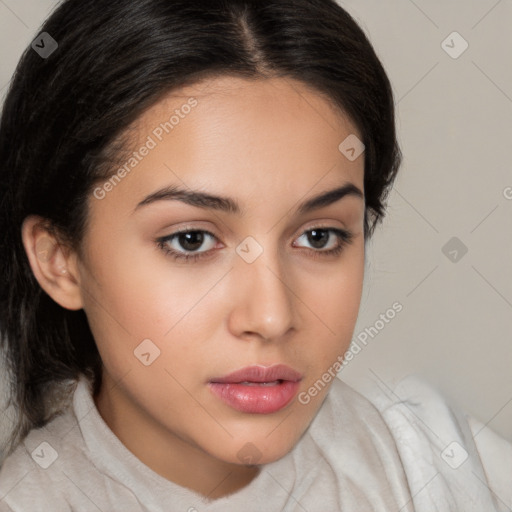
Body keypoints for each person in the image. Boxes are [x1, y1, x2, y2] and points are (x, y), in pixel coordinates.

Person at [0, 0, 510, 510]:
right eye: (191, 240)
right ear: (59, 259)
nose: (271, 316)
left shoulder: (437, 468)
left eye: (318, 237)